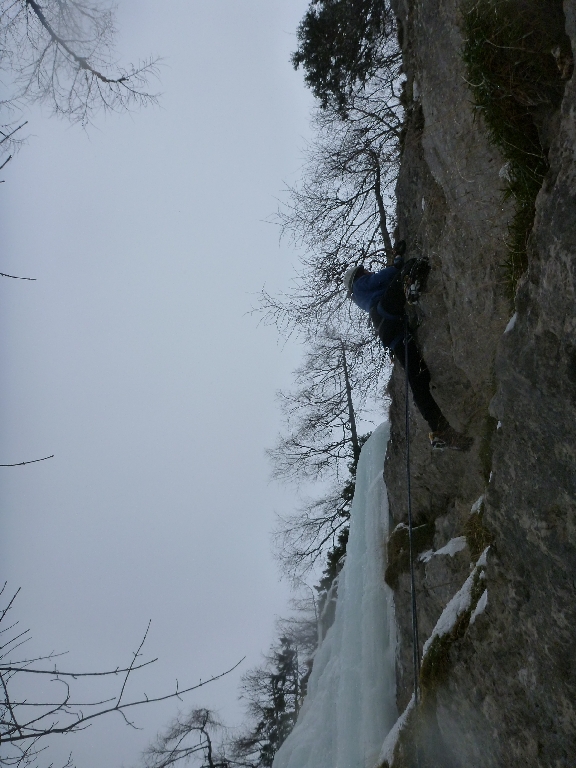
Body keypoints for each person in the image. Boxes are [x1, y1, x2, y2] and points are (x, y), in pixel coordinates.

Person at [343, 245, 472, 451]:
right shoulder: (360, 285)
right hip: (387, 313)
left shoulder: (364, 297)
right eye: (365, 271)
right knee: (412, 266)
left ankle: (440, 430)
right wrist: (398, 262)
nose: (368, 271)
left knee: (418, 379)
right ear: (358, 275)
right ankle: (410, 288)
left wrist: (396, 259)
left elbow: (383, 283)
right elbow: (386, 276)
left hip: (394, 332)